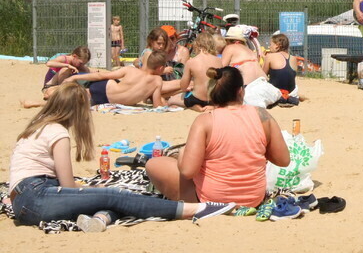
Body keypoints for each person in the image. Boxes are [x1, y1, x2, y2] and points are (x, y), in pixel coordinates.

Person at [8, 82, 234, 232]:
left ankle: (100, 220)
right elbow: (68, 184)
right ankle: (192, 209)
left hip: (25, 199)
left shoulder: (37, 127)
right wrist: (92, 191)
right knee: (114, 195)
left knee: (112, 199)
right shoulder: (58, 133)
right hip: (36, 197)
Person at [146, 66, 291, 208]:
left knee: (154, 165)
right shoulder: (262, 115)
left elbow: (188, 171)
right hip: (253, 199)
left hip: (212, 200)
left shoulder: (205, 121)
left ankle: (193, 203)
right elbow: (283, 160)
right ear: (241, 91)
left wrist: (183, 154)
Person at [69, 50, 168, 107]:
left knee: (79, 94)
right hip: (108, 100)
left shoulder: (131, 70)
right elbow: (157, 106)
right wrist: (166, 104)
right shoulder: (157, 81)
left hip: (104, 88)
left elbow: (101, 75)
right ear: (160, 68)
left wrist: (75, 77)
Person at [221, 27, 281, 108]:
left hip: (248, 90)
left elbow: (221, 69)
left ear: (229, 40)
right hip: (267, 88)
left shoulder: (230, 48)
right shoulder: (249, 50)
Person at [169, 32, 221, 111]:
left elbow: (183, 87)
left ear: (196, 45)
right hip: (213, 100)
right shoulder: (219, 61)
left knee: (171, 100)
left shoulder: (191, 62)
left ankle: (194, 106)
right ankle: (211, 107)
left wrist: (191, 87)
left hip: (196, 99)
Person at [262, 33, 307, 103]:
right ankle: (292, 96)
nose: (269, 47)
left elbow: (262, 76)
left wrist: (263, 60)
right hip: (291, 92)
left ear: (277, 46)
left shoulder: (270, 57)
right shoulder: (293, 58)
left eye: (271, 45)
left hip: (276, 91)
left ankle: (282, 96)